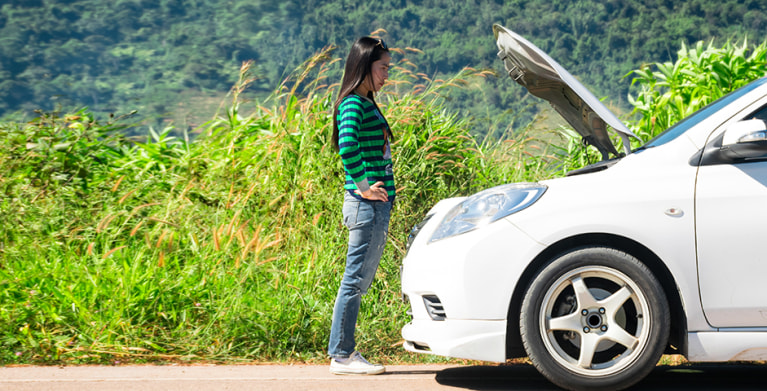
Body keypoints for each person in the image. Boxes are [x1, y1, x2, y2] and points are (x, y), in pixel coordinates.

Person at [327, 36, 394, 376]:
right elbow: (348, 146)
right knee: (353, 281)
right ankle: (341, 355)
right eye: (382, 68)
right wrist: (365, 188)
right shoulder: (353, 103)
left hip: (372, 207)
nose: (386, 75)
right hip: (365, 206)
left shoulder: (365, 102)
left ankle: (343, 352)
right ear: (365, 66)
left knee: (357, 281)